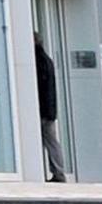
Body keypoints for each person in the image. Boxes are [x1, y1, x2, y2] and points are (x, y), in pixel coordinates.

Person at [35, 34, 70, 181]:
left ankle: (58, 172)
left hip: (44, 110)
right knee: (51, 141)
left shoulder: (38, 61)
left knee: (50, 141)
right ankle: (57, 171)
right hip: (49, 109)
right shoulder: (46, 60)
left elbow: (41, 87)